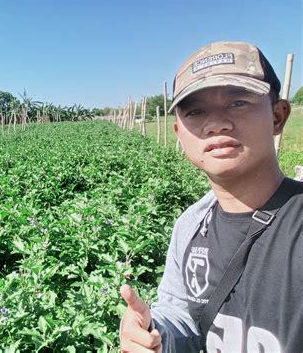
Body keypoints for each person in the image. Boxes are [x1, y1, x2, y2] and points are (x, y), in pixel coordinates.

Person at [119, 41, 303, 352]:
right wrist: (154, 333)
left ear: (277, 115)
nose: (215, 123)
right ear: (179, 133)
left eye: (238, 102)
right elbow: (184, 318)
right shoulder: (191, 226)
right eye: (196, 111)